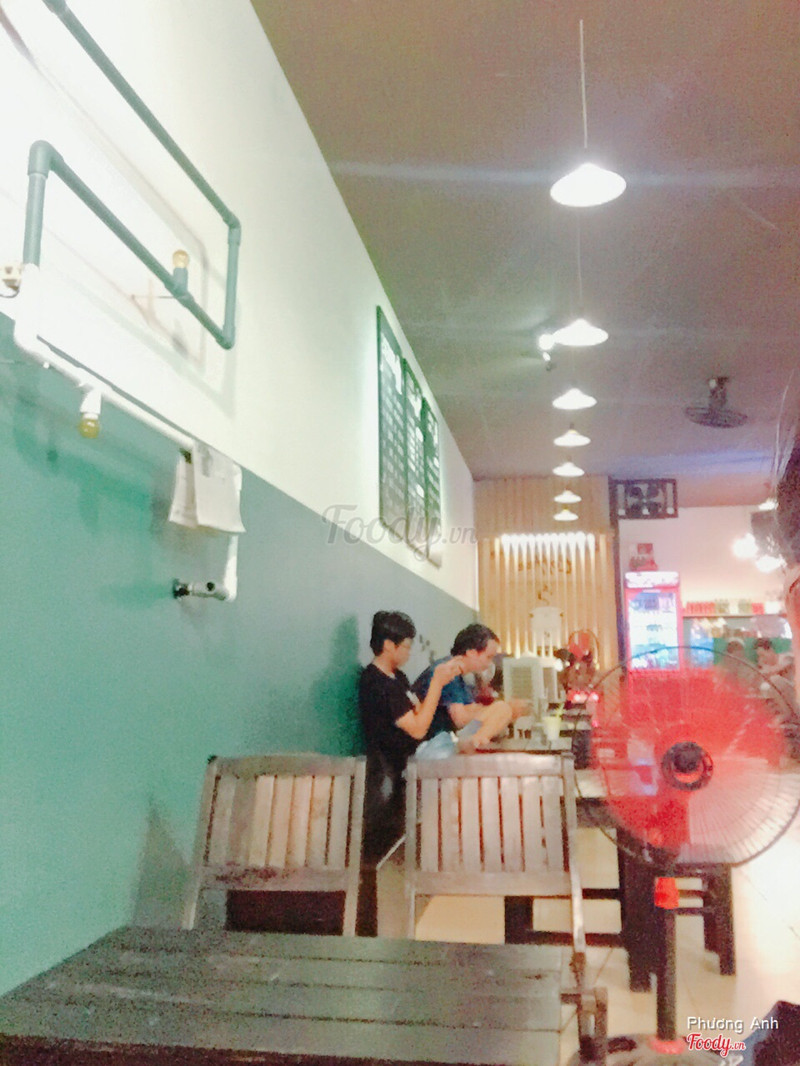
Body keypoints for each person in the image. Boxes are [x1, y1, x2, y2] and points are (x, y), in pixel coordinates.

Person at [358, 611, 464, 846]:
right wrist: (436, 683)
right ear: (389, 645)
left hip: (416, 756)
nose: (409, 652)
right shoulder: (376, 683)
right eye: (406, 646)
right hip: (397, 766)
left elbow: (418, 712)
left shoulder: (398, 677)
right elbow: (417, 729)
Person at [412, 623, 527, 756]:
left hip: (445, 738)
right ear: (471, 653)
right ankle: (475, 743)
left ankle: (477, 742)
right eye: (488, 657)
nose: (490, 664)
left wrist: (500, 710)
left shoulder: (463, 676)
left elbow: (471, 708)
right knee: (503, 709)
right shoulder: (446, 671)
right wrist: (500, 709)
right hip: (433, 744)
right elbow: (460, 718)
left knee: (503, 709)